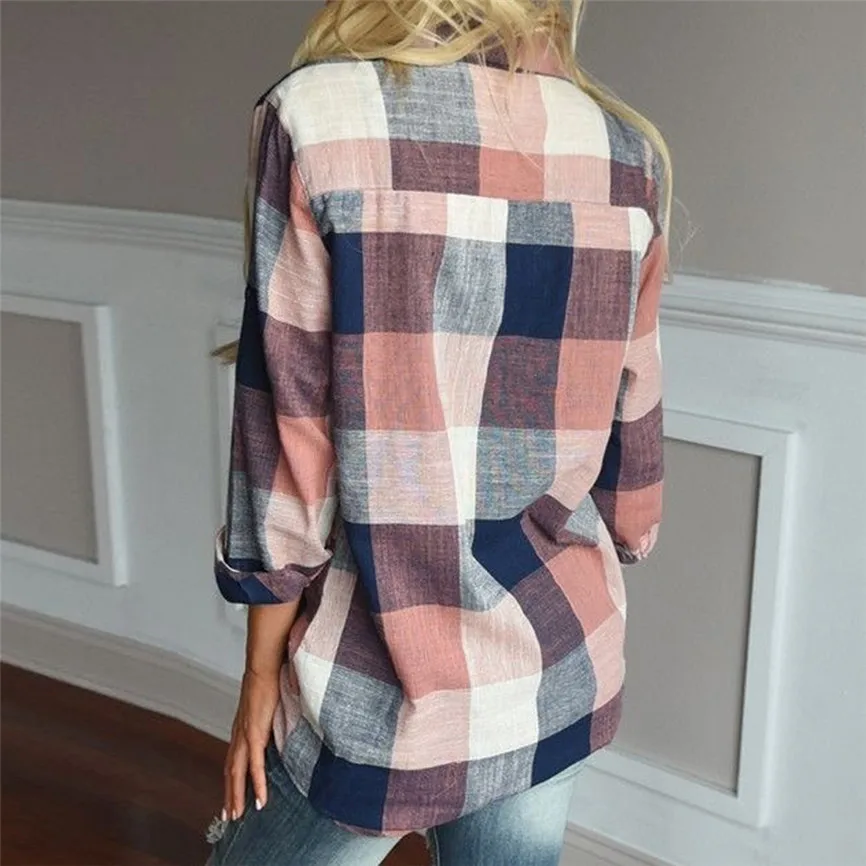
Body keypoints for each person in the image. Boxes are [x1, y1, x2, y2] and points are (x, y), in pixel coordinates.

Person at [207, 1, 670, 864]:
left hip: (375, 678)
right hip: (554, 656)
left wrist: (260, 671)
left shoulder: (318, 117)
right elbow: (631, 446)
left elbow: (288, 448)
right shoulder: (626, 155)